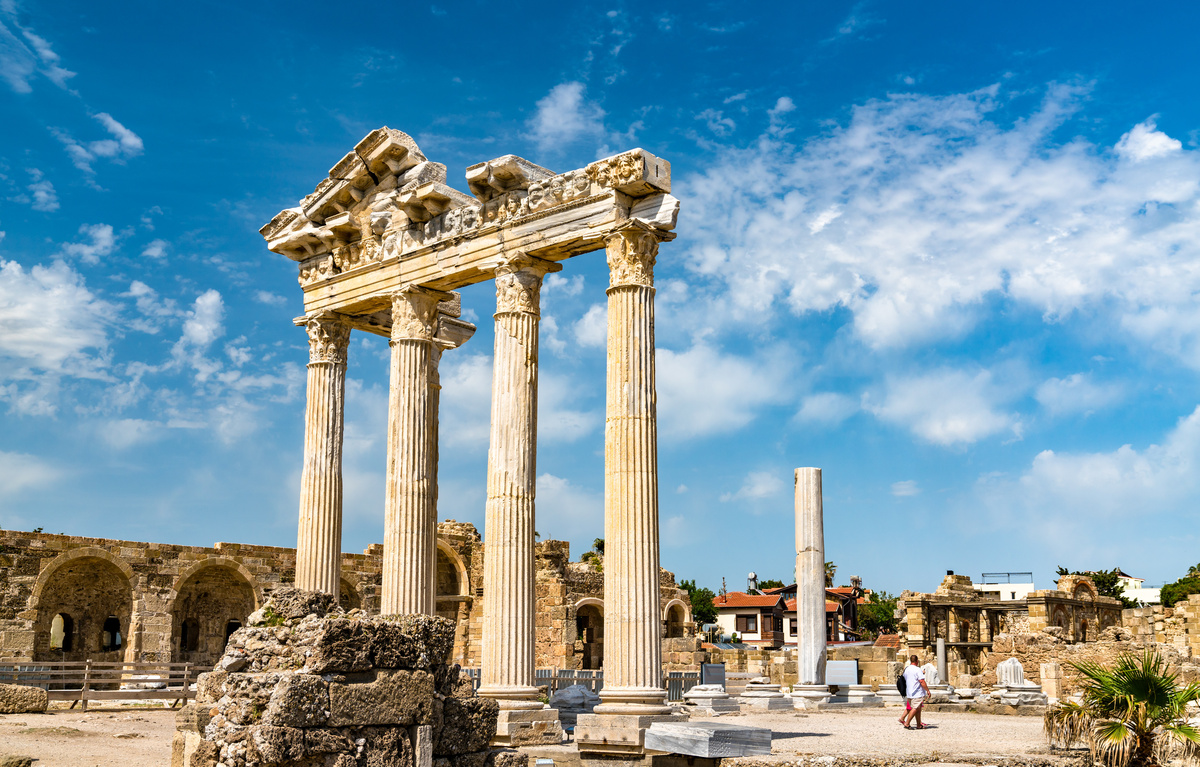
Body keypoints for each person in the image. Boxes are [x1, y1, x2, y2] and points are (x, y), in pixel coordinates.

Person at [899, 655, 931, 729]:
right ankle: (907, 723)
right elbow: (921, 681)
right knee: (915, 708)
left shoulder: (906, 669)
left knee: (918, 708)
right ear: (917, 661)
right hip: (917, 692)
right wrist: (927, 690)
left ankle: (918, 725)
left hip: (909, 692)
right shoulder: (917, 669)